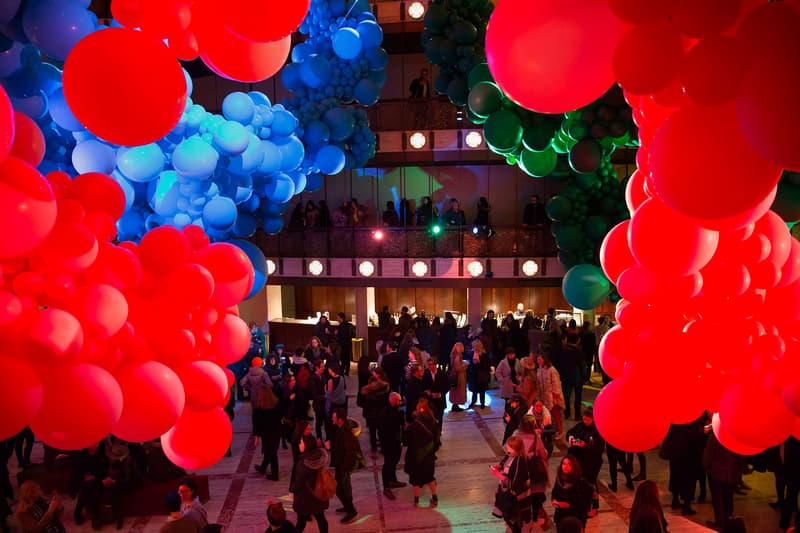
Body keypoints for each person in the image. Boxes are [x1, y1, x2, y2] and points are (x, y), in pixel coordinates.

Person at [566, 408, 604, 518]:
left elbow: (599, 448)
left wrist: (585, 446)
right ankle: (582, 504)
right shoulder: (580, 426)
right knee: (580, 482)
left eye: (587, 419)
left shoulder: (598, 430)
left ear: (593, 419)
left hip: (592, 462)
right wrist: (571, 438)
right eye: (584, 419)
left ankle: (595, 506)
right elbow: (569, 432)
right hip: (579, 460)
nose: (585, 421)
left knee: (591, 483)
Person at [491, 436, 533, 533]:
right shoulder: (509, 455)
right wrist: (499, 467)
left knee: (515, 517)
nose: (507, 449)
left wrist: (498, 475)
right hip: (506, 493)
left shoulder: (520, 462)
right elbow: (504, 465)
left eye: (509, 447)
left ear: (516, 449)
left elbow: (514, 483)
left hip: (515, 497)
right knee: (508, 515)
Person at [704, 431, 745, 531]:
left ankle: (720, 524)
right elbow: (741, 455)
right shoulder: (735, 435)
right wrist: (739, 470)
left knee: (718, 500)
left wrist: (706, 466)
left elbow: (708, 454)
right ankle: (728, 522)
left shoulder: (715, 435)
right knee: (728, 499)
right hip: (731, 472)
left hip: (716, 472)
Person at [290, 436, 330, 533]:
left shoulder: (303, 464)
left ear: (307, 445)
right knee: (321, 518)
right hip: (318, 494)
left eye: (301, 443)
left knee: (301, 521)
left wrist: (292, 489)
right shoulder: (319, 457)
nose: (299, 445)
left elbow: (298, 483)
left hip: (305, 497)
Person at [327, 408, 361, 524]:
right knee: (342, 488)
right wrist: (331, 446)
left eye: (334, 417)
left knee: (342, 489)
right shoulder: (341, 428)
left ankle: (352, 511)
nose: (332, 419)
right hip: (340, 465)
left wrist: (344, 468)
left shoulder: (347, 433)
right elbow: (340, 446)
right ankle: (347, 507)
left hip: (343, 466)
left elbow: (350, 452)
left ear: (340, 420)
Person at [404, 397, 439, 507]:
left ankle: (416, 499)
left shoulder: (412, 427)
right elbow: (437, 442)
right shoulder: (434, 423)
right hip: (428, 456)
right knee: (429, 477)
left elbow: (405, 441)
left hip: (415, 457)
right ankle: (434, 497)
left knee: (415, 479)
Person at [551, 455, 593, 528]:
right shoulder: (560, 479)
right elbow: (555, 492)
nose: (566, 467)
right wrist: (554, 500)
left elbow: (585, 504)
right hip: (561, 516)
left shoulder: (580, 482)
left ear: (574, 467)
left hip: (575, 518)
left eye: (569, 464)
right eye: (564, 464)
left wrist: (569, 506)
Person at [379, 392, 407, 500]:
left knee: (394, 462)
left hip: (396, 441)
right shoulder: (386, 412)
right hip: (388, 443)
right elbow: (385, 429)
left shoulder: (397, 411)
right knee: (388, 464)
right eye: (398, 401)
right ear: (393, 400)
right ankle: (386, 486)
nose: (400, 403)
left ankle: (393, 480)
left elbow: (401, 426)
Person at [536, 353, 566, 439]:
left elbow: (556, 384)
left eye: (540, 359)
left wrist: (555, 397)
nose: (538, 361)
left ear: (545, 359)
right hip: (544, 397)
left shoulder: (552, 370)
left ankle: (560, 431)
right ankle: (553, 430)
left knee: (556, 415)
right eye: (537, 360)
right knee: (548, 415)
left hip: (552, 397)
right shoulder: (539, 370)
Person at [422, 357, 449, 435]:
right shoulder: (426, 374)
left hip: (440, 400)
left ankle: (438, 433)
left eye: (431, 364)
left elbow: (447, 386)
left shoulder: (442, 374)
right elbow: (423, 386)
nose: (430, 366)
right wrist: (428, 392)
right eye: (429, 365)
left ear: (435, 365)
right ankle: (433, 433)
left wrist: (441, 394)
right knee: (431, 418)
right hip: (431, 401)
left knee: (439, 418)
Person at [468, 339, 491, 409]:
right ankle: (473, 401)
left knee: (482, 390)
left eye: (475, 346)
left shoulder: (484, 355)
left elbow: (487, 365)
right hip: (474, 375)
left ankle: (482, 403)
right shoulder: (472, 353)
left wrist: (479, 362)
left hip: (481, 375)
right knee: (474, 390)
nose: (473, 347)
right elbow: (470, 363)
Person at [448, 342, 468, 412]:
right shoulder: (457, 356)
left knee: (455, 391)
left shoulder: (454, 355)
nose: (463, 348)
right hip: (458, 376)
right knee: (458, 390)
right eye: (462, 347)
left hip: (455, 375)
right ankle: (455, 405)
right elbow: (457, 368)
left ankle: (455, 405)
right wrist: (465, 365)